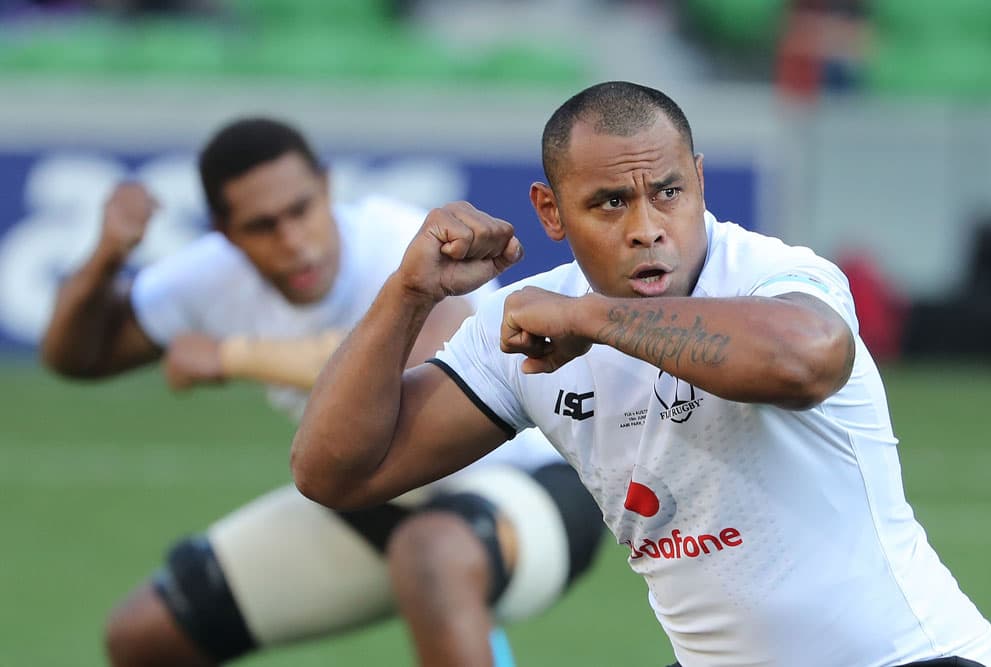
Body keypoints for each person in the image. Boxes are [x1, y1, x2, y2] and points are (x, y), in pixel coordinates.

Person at [291, 81, 991, 667]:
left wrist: (595, 318)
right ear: (551, 210)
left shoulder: (775, 274)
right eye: (609, 203)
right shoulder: (523, 324)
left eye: (667, 192)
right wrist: (408, 295)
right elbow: (334, 472)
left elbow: (806, 360)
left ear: (698, 178)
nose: (646, 226)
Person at [39, 117, 605, 667]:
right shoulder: (209, 275)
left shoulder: (396, 240)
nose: (294, 242)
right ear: (225, 231)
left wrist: (231, 356)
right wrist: (107, 255)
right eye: (263, 226)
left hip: (526, 482)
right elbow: (79, 357)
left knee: (433, 554)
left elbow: (422, 368)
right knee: (145, 636)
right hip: (378, 497)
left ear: (327, 188)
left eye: (301, 210)